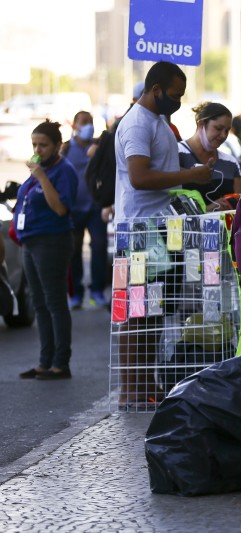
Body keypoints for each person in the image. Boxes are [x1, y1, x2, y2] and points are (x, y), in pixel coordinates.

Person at [114, 61, 213, 409]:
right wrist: (190, 175)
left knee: (153, 311)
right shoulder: (138, 124)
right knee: (137, 313)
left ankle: (145, 385)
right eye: (174, 95)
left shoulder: (158, 122)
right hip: (140, 233)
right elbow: (139, 177)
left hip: (159, 229)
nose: (178, 100)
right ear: (155, 89)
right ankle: (132, 390)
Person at [15, 120, 79, 380]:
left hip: (52, 240)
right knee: (38, 303)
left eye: (43, 145)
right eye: (34, 144)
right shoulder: (39, 170)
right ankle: (45, 360)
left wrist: (40, 176)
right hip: (30, 241)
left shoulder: (63, 171)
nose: (38, 149)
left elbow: (61, 208)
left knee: (54, 302)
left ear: (57, 146)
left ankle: (60, 363)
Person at [62, 111, 109, 310]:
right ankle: (76, 294)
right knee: (73, 251)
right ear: (74, 126)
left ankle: (97, 291)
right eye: (84, 122)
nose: (88, 126)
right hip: (73, 209)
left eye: (91, 122)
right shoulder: (64, 149)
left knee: (99, 247)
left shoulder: (98, 146)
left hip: (95, 207)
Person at [178, 102, 241, 212]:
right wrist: (208, 209)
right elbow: (170, 204)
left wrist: (230, 204)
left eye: (227, 131)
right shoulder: (176, 153)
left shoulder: (230, 163)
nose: (223, 135)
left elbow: (240, 207)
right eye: (218, 128)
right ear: (201, 124)